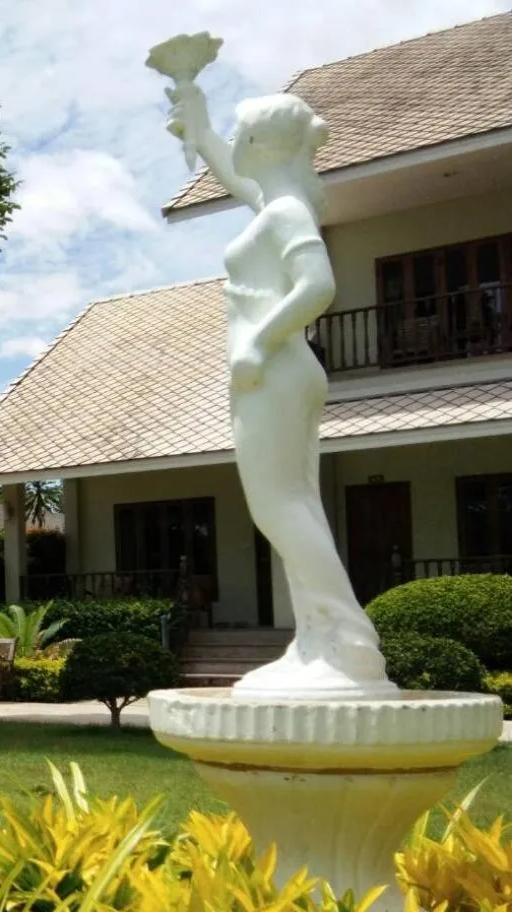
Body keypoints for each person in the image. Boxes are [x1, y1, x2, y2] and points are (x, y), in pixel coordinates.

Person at [166, 84, 393, 698]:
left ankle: (351, 643)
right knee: (297, 505)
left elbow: (318, 286)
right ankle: (317, 641)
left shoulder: (287, 211)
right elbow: (231, 172)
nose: (234, 144)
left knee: (278, 507)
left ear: (262, 144)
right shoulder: (274, 203)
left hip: (272, 370)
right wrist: (200, 119)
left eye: (241, 134)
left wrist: (257, 343)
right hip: (276, 372)